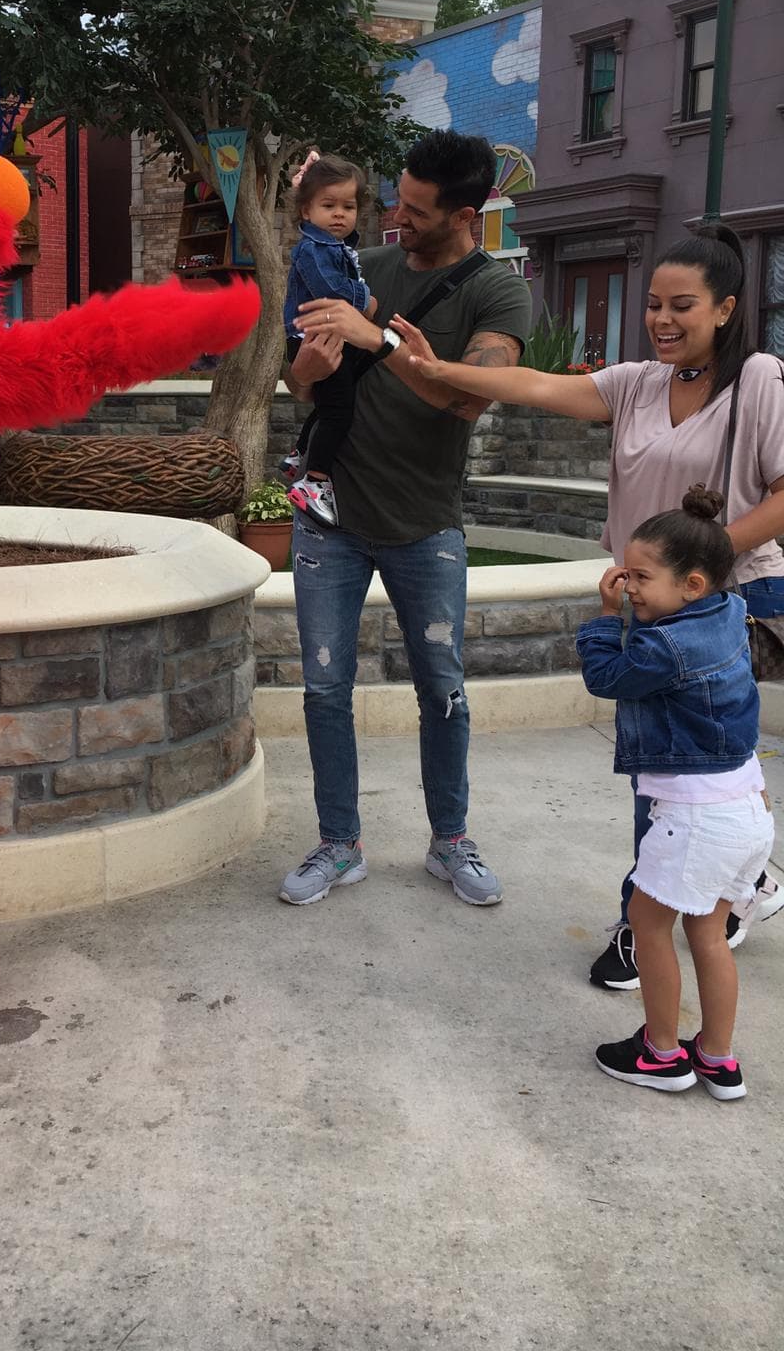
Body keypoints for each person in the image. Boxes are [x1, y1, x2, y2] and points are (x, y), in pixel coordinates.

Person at [393, 222, 784, 983]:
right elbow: (536, 385)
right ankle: (746, 880)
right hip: (653, 602)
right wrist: (438, 365)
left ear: (726, 309)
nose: (663, 322)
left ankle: (649, 921)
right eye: (654, 306)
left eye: (684, 307)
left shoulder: (759, 379)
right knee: (692, 764)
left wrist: (702, 559)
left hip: (723, 598)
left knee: (670, 766)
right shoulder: (637, 383)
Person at [277, 129, 531, 909]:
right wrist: (307, 370)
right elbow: (305, 389)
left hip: (425, 523)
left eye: (416, 209)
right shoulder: (360, 264)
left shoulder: (498, 291)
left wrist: (378, 339)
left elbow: (469, 398)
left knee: (443, 688)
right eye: (395, 198)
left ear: (466, 212)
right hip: (332, 522)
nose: (394, 216)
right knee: (325, 690)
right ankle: (338, 843)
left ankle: (449, 839)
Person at [578, 487, 771, 1097]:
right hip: (743, 806)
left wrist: (607, 620)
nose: (627, 584)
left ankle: (662, 1053)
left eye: (639, 576)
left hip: (696, 816)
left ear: (691, 584)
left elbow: (607, 677)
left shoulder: (668, 644)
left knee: (648, 924)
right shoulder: (728, 616)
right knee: (709, 935)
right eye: (624, 574)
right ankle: (717, 1057)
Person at [279, 153, 377, 527]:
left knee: (329, 403)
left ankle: (298, 453)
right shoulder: (314, 248)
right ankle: (315, 482)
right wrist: (366, 301)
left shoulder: (335, 247)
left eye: (348, 206)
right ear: (306, 211)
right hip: (314, 337)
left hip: (324, 335)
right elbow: (331, 290)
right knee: (339, 411)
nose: (339, 214)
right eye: (328, 205)